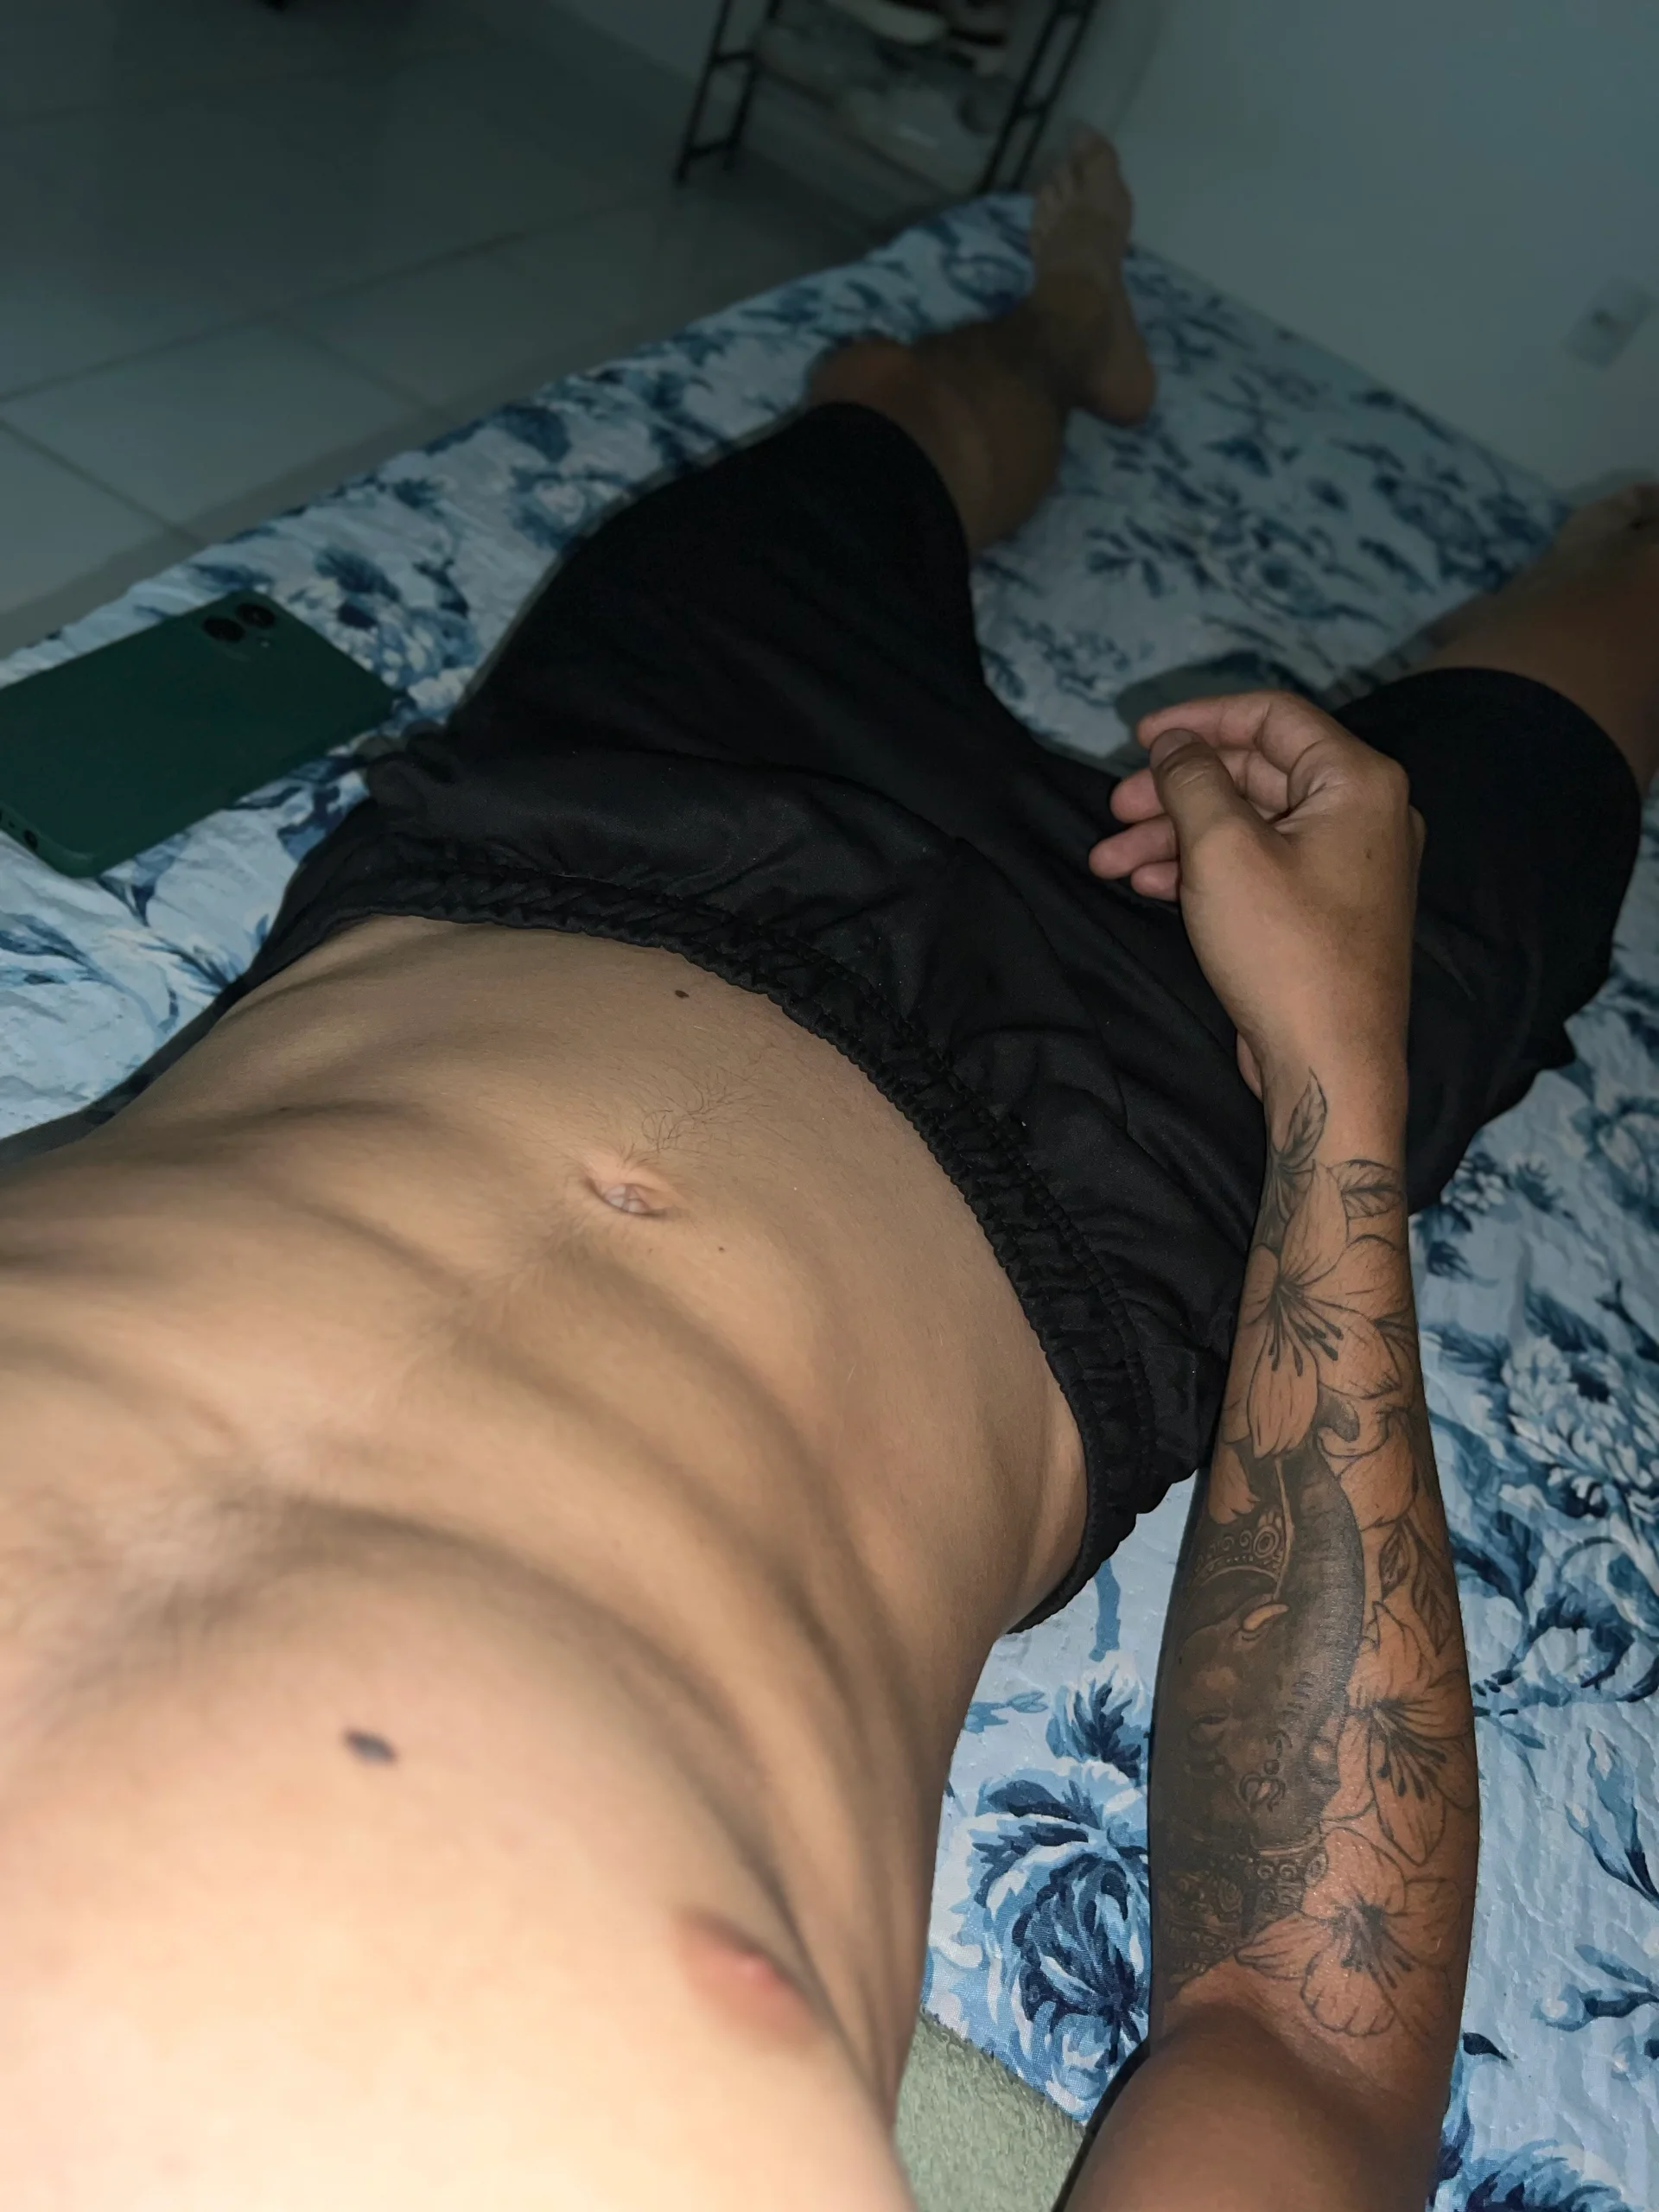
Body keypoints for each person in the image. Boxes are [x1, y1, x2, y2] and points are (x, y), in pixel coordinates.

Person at [0, 133, 1652, 2209]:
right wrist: (1338, 1077)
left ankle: (1063, 330)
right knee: (1562, 715)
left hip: (561, 844)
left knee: (869, 422)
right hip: (1116, 1147)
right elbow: (1304, 2043)